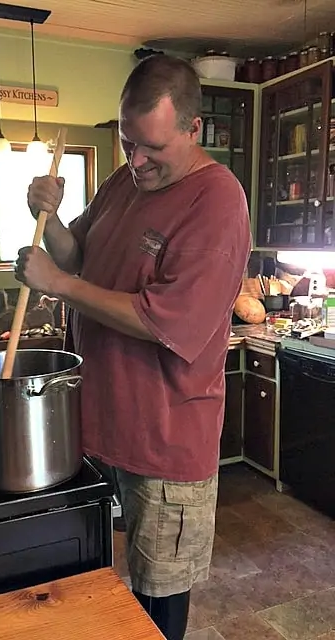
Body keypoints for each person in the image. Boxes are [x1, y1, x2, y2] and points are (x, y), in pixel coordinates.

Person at [15, 54, 251, 640]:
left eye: (151, 147)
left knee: (158, 599)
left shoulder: (217, 202)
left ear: (194, 129)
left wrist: (60, 285)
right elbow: (81, 257)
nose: (137, 160)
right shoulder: (128, 179)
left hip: (166, 441)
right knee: (98, 586)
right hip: (103, 425)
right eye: (127, 143)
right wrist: (50, 220)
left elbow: (166, 320)